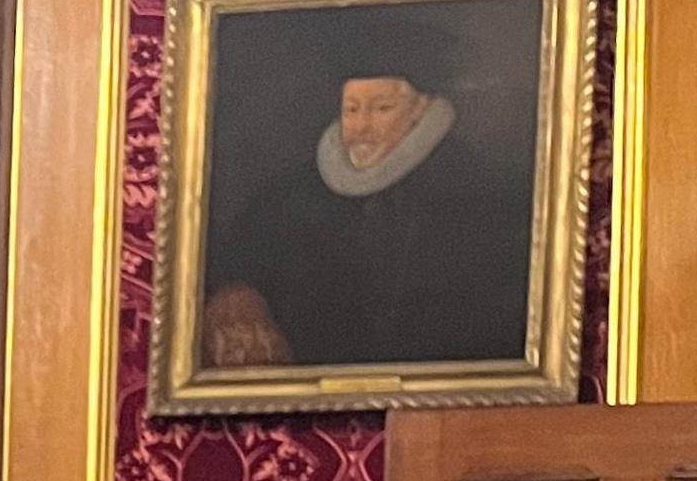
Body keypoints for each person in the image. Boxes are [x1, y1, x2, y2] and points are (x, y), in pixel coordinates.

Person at [201, 21, 536, 370]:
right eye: (352, 110)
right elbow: (237, 271)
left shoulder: (484, 193)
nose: (361, 127)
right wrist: (236, 297)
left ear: (419, 112)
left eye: (381, 109)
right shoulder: (290, 196)